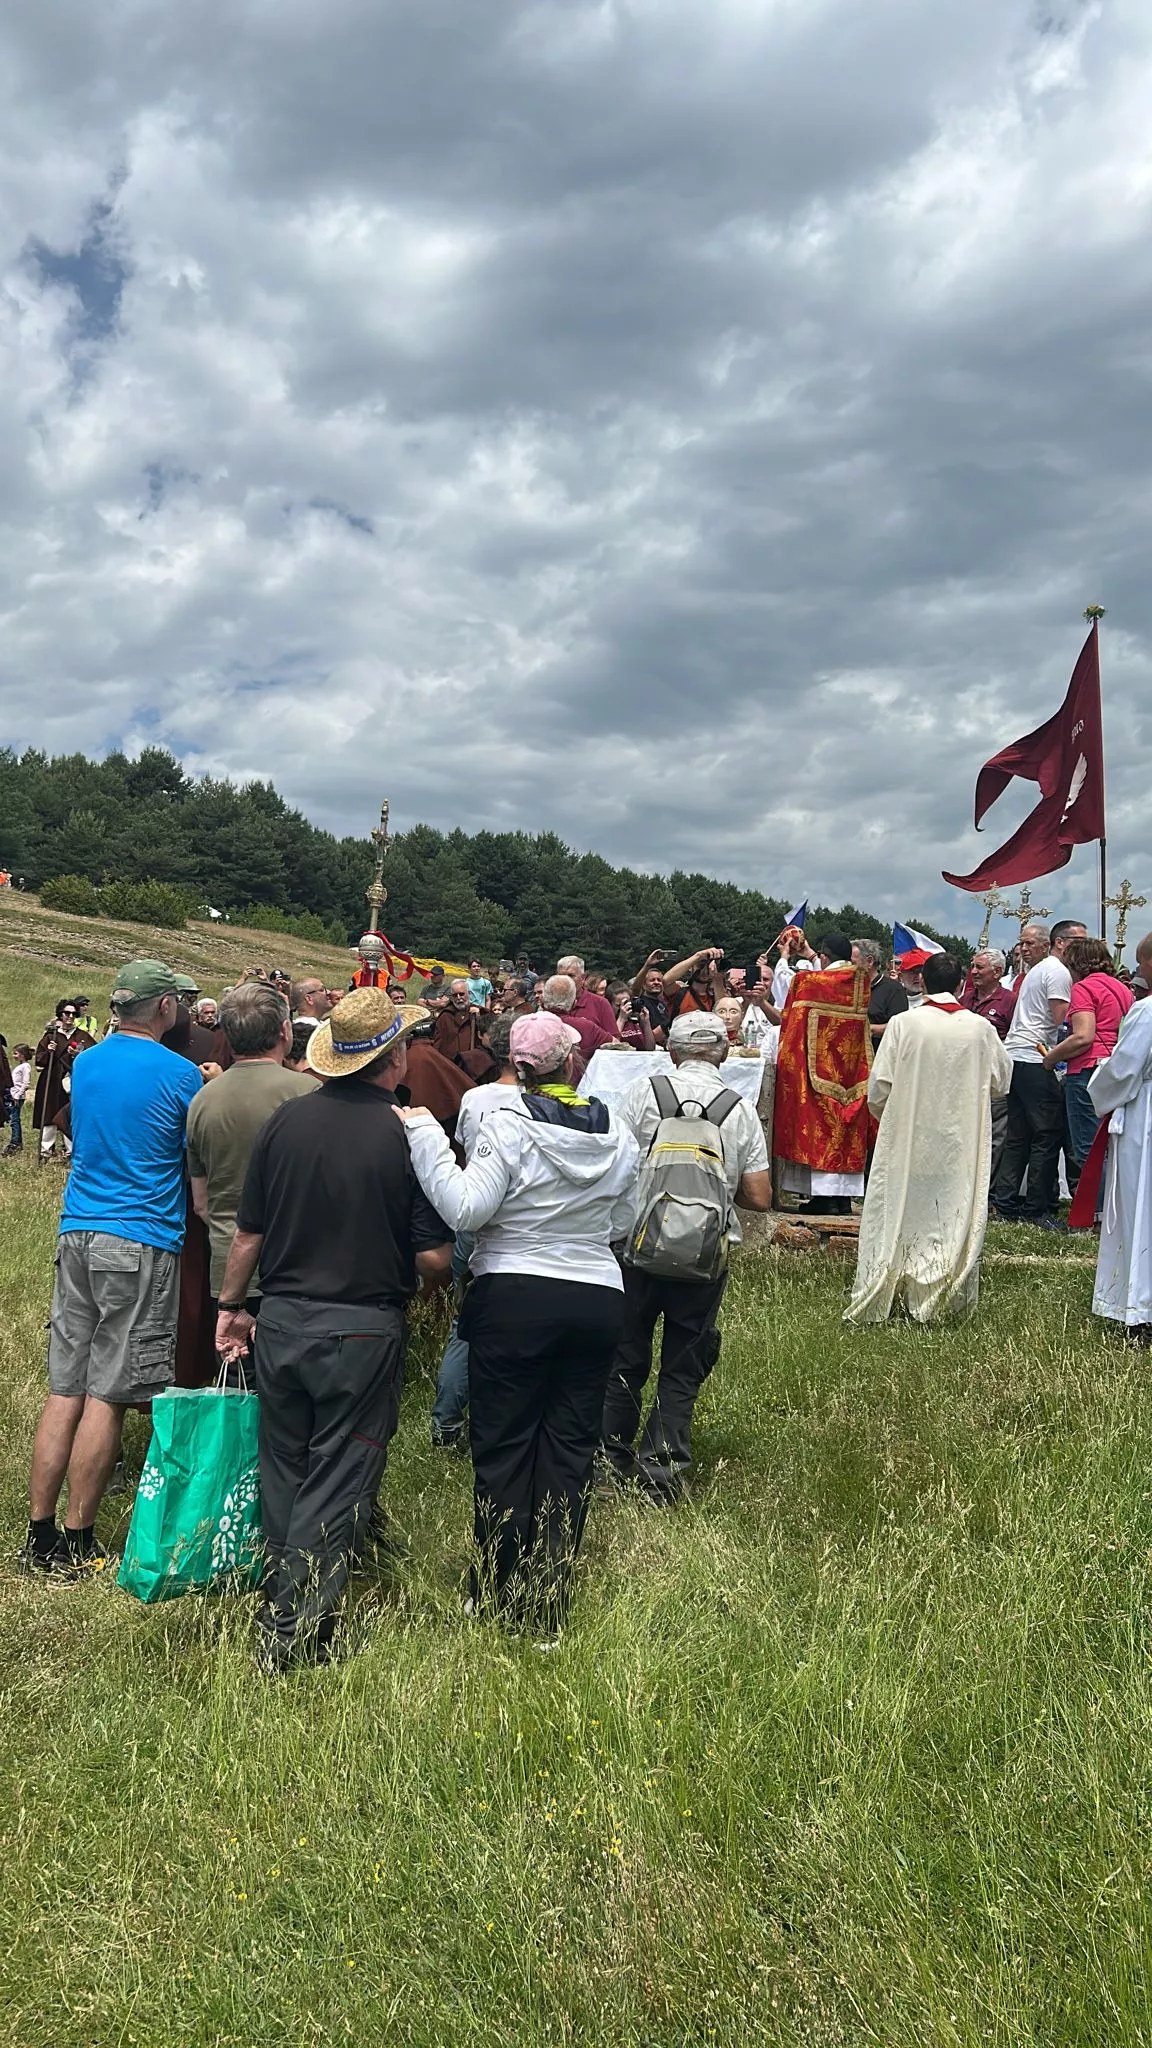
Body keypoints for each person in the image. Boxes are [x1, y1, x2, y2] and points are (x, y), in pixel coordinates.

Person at [214, 988, 453, 1668]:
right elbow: (433, 1256)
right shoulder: (404, 1135)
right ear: (396, 1055)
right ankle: (293, 1633)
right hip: (363, 1329)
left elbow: (247, 1235)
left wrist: (234, 1308)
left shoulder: (285, 1124)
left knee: (285, 1466)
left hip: (281, 1319)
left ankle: (281, 1599)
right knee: (340, 1476)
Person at [396, 1010, 638, 1637]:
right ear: (573, 1062)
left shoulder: (506, 1122)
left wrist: (424, 1136)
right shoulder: (617, 1129)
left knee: (505, 1444)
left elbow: (467, 1209)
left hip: (516, 1292)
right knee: (569, 1445)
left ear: (519, 1066)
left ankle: (499, 1587)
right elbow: (622, 1222)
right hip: (596, 1295)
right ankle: (550, 1598)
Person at [22, 961, 202, 1577]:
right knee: (109, 1393)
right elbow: (191, 1147)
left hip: (78, 1230)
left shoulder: (88, 1061)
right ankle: (78, 1539)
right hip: (141, 1236)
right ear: (164, 1009)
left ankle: (38, 1531)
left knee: (64, 1387)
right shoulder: (180, 1075)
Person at [601, 1010, 771, 1502]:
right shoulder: (736, 1107)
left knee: (625, 1355)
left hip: (637, 1245)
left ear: (671, 1051)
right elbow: (759, 1196)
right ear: (723, 1052)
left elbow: (614, 1165)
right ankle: (662, 1470)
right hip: (703, 1257)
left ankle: (608, 1457)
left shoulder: (642, 1093)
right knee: (683, 1360)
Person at [845, 953, 1012, 1324]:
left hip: (909, 1137)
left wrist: (893, 1121)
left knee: (904, 1205)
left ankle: (894, 1280)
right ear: (960, 985)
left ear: (922, 982)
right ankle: (941, 1295)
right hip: (960, 1139)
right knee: (950, 1208)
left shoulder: (904, 1024)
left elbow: (879, 1088)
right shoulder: (981, 1029)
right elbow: (1002, 1082)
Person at [187, 983, 317, 1328]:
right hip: (298, 1267)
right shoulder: (311, 1093)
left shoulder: (202, 1100)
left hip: (228, 1269)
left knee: (234, 1375)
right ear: (285, 1031)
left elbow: (201, 1203)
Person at [430, 1013, 523, 1450]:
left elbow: (466, 1151)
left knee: (465, 1323)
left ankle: (447, 1421)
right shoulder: (545, 1105)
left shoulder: (475, 1098)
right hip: (520, 1222)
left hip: (475, 1215)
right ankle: (503, 1421)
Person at [992, 918, 1087, 1228]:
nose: (1083, 947)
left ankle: (1006, 1202)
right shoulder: (1058, 972)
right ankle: (1037, 1209)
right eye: (1078, 941)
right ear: (1059, 943)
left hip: (1015, 1056)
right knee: (1047, 1134)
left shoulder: (1038, 970)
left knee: (1018, 1135)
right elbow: (1064, 1019)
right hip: (1035, 1057)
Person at [772, 931, 872, 1215]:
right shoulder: (861, 981)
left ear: (825, 957)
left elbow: (784, 990)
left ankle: (824, 1198)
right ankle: (842, 1198)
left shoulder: (808, 982)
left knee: (820, 1130)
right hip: (852, 1072)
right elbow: (829, 976)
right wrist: (813, 956)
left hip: (818, 1073)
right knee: (844, 1132)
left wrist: (784, 958)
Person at [1087, 992, 1152, 1341]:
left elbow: (1125, 1068)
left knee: (1140, 1206)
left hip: (1146, 1115)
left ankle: (1141, 1307)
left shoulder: (1146, 1010)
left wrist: (1099, 1081)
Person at [1043, 937, 1133, 1168]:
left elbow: (1083, 1036)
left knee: (1089, 1150)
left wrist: (1051, 1057)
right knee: (1110, 1148)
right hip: (1115, 1068)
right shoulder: (1123, 989)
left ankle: (1096, 1204)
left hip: (1087, 1070)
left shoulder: (1083, 988)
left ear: (1075, 964)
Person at [960, 948, 1016, 1181]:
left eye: (979, 967)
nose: (974, 972)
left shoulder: (1010, 1001)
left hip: (991, 1079)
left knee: (994, 1136)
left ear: (997, 972)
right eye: (973, 966)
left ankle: (987, 1189)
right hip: (965, 1077)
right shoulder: (965, 999)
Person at [33, 1000, 95, 1161]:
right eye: (67, 1013)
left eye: (74, 1014)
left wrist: (78, 1055)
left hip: (74, 1080)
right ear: (60, 1014)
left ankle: (71, 1152)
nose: (70, 1017)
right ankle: (45, 1151)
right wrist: (48, 1051)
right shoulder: (51, 1036)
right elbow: (39, 1061)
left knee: (71, 1115)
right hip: (52, 1080)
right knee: (49, 1114)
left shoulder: (82, 1035)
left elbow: (93, 1057)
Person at [542, 973, 612, 1064]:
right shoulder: (585, 1026)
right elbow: (617, 1046)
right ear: (574, 1002)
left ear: (543, 1000)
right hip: (575, 1076)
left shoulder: (526, 1023)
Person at [433, 980, 495, 1079]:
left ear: (469, 993)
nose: (458, 998)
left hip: (475, 1069)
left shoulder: (479, 1012)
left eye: (461, 994)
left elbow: (491, 1032)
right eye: (455, 995)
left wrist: (479, 1015)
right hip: (451, 1068)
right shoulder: (445, 1016)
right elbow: (438, 1042)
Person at [852, 938, 908, 1045]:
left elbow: (900, 1026)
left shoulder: (894, 990)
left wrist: (870, 1029)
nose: (848, 967)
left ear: (869, 961)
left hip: (878, 1056)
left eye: (853, 962)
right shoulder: (850, 988)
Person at [557, 954, 620, 1043]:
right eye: (562, 976)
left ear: (583, 978)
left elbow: (615, 1042)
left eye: (571, 976)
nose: (566, 980)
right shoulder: (551, 1004)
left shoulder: (600, 1003)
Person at [661, 946, 726, 1019]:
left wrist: (717, 977)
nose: (704, 971)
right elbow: (666, 980)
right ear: (690, 967)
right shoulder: (679, 992)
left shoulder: (714, 996)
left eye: (708, 966)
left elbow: (724, 1008)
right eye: (701, 965)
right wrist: (698, 956)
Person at [628, 952, 671, 1041]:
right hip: (649, 1043)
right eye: (652, 980)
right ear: (644, 984)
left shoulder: (665, 1003)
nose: (656, 982)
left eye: (659, 980)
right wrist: (647, 965)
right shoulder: (640, 1002)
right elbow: (635, 989)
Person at [5, 1043, 32, 1155]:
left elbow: (26, 1083)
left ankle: (16, 1142)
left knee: (14, 1119)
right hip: (13, 1095)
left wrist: (17, 1095)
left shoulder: (25, 1067)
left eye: (16, 1053)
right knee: (13, 1119)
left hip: (17, 1097)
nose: (14, 1055)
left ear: (22, 1055)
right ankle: (16, 1141)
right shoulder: (20, 1066)